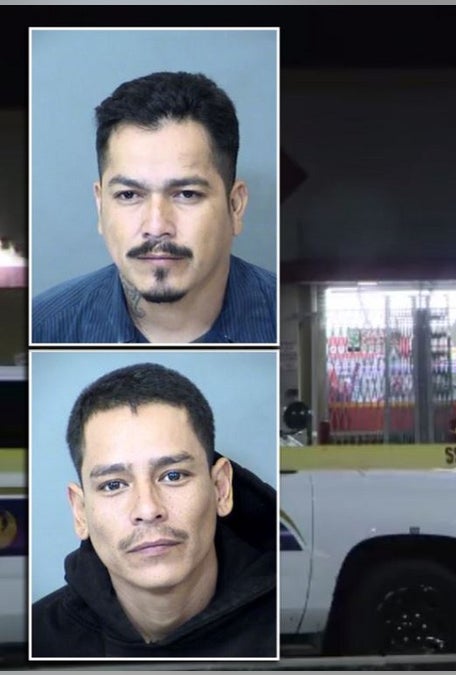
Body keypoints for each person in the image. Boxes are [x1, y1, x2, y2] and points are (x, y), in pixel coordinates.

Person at [31, 363, 277, 658]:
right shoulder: (35, 641)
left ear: (221, 489)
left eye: (173, 476)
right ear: (81, 512)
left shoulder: (285, 628)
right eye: (113, 485)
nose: (148, 509)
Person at [32, 71, 276, 344]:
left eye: (186, 194)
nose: (156, 227)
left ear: (236, 206)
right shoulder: (42, 328)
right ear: (100, 205)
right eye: (128, 195)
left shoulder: (279, 317)